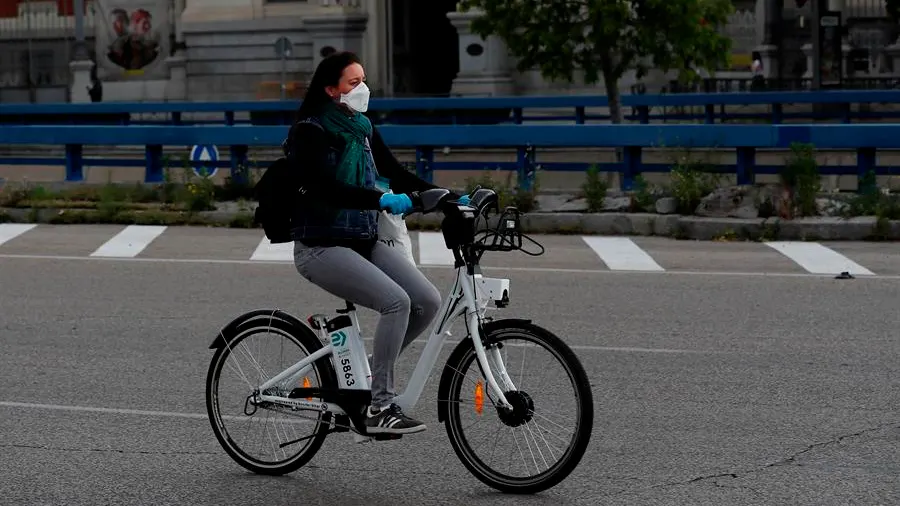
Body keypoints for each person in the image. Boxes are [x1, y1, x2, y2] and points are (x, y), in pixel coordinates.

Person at [285, 51, 468, 435]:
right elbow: (325, 189)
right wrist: (379, 198)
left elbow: (395, 174)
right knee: (396, 302)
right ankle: (378, 406)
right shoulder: (310, 129)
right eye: (353, 83)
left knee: (427, 301)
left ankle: (364, 377)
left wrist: (446, 196)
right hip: (320, 246)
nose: (362, 88)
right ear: (331, 89)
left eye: (363, 80)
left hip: (361, 238)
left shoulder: (362, 127)